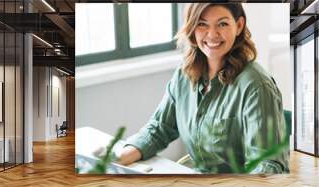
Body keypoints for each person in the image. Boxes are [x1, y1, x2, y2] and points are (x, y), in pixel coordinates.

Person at [117, 3, 289, 174]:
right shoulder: (184, 74)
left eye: (222, 24)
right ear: (192, 27)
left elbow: (267, 164)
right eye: (202, 24)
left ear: (238, 26)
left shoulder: (256, 86)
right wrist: (117, 160)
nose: (212, 34)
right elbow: (160, 128)